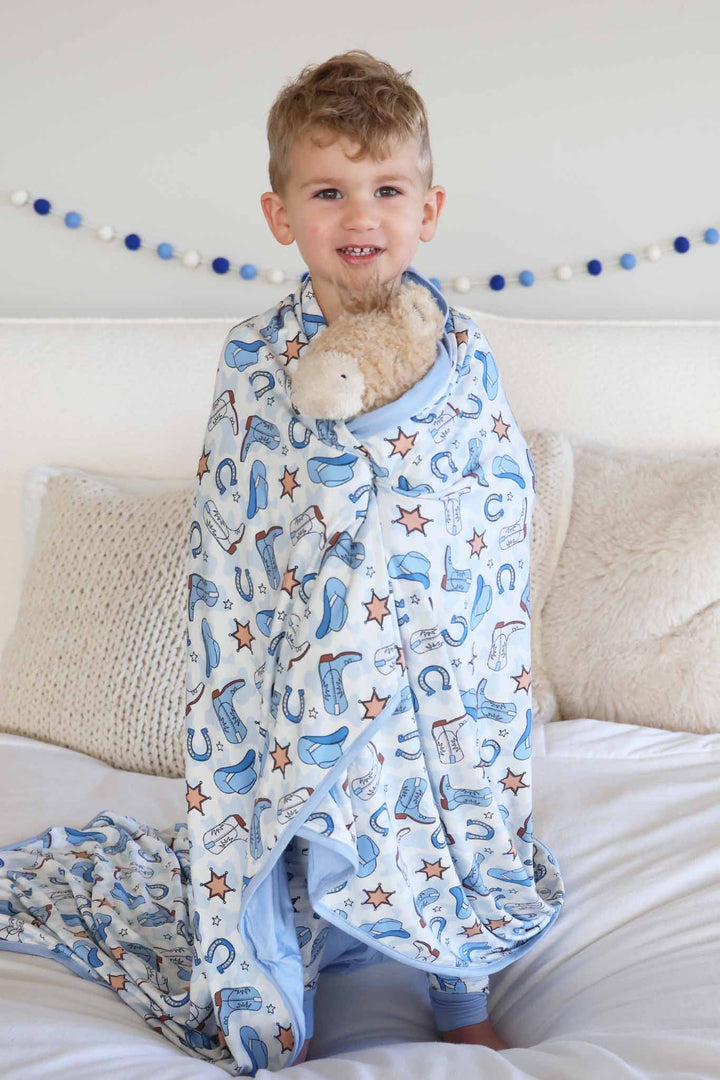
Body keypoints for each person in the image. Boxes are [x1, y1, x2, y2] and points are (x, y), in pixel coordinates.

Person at [230, 48, 564, 1064]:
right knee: (308, 783)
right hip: (313, 648)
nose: (360, 216)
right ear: (281, 214)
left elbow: (492, 501)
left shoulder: (460, 354)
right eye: (328, 191)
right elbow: (235, 524)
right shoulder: (255, 356)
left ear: (430, 208)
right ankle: (299, 979)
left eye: (387, 190)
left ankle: (460, 993)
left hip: (436, 645)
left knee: (449, 786)